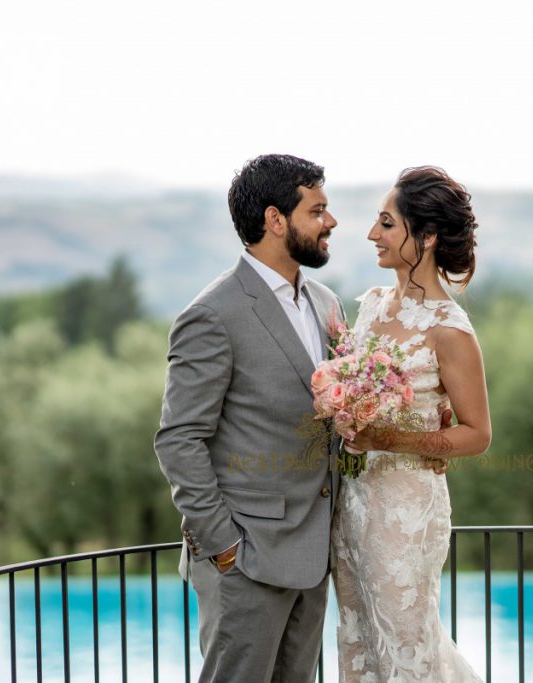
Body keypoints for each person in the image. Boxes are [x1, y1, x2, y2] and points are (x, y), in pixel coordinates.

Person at [154, 154, 345, 683]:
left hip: (314, 555)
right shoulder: (213, 314)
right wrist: (223, 546)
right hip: (246, 562)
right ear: (275, 219)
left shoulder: (327, 303)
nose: (330, 222)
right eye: (318, 210)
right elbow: (179, 440)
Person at [332, 166, 492, 681]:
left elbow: (477, 434)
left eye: (386, 223)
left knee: (406, 642)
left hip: (406, 513)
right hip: (352, 504)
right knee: (358, 638)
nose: (371, 234)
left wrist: (389, 438)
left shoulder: (451, 331)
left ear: (424, 238)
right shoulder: (373, 307)